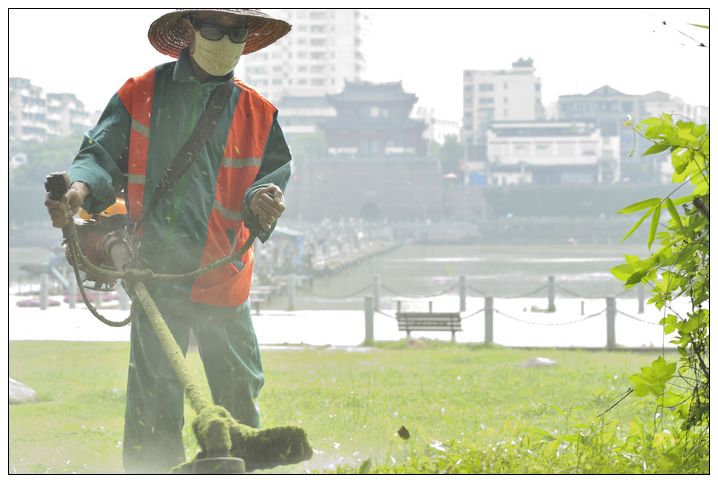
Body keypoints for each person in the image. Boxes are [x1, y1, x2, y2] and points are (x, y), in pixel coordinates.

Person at [45, 9, 293, 473]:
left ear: (246, 41)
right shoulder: (141, 94)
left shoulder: (259, 112)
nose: (225, 40)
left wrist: (264, 200)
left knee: (239, 384)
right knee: (154, 390)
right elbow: (99, 156)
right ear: (191, 32)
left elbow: (270, 178)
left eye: (236, 32)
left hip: (224, 272)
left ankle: (245, 467)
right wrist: (76, 191)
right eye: (214, 29)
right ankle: (152, 471)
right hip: (155, 269)